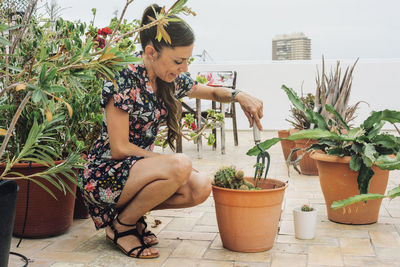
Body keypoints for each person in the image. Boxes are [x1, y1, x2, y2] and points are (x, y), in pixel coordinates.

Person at [78, 4, 263, 259]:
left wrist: (240, 95)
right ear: (151, 52)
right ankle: (123, 227)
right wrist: (171, 162)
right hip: (104, 175)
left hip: (135, 173)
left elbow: (210, 91)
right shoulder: (123, 80)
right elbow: (119, 148)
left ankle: (125, 218)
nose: (184, 68)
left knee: (200, 187)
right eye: (178, 61)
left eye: (187, 60)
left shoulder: (170, 80)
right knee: (180, 165)